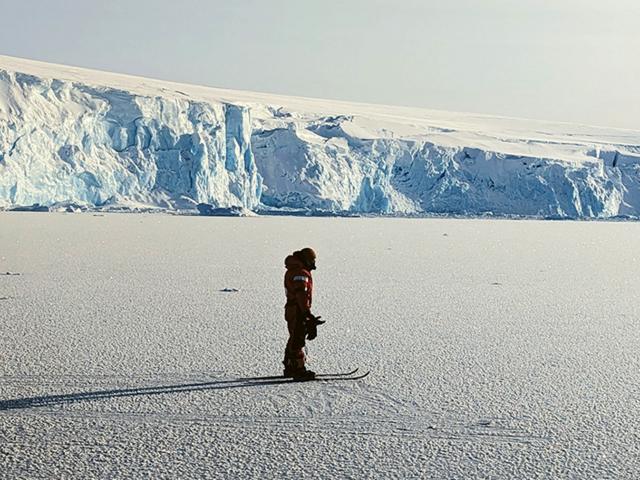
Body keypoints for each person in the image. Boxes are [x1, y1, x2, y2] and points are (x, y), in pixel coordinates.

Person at [283, 247, 325, 380]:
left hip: (292, 309)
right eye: (312, 260)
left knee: (294, 336)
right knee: (297, 339)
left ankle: (290, 366)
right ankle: (298, 369)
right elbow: (301, 294)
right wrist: (307, 313)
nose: (313, 263)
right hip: (297, 310)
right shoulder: (301, 273)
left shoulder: (294, 270)